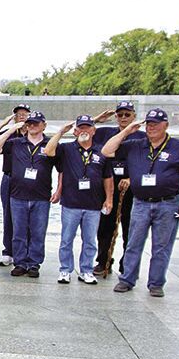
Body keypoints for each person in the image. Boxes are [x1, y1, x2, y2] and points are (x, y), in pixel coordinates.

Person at [102, 108, 179, 297]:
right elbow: (106, 150)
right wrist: (127, 130)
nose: (152, 127)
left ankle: (156, 283)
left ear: (166, 125)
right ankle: (127, 279)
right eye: (149, 124)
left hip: (168, 203)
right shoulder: (136, 145)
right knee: (133, 243)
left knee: (161, 246)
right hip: (141, 202)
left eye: (156, 124)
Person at [44, 115, 113, 285]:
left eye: (87, 127)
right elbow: (48, 151)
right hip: (71, 203)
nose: (84, 131)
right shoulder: (67, 149)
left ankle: (86, 270)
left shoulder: (101, 151)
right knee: (67, 239)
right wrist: (61, 132)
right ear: (75, 131)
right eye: (80, 128)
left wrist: (109, 199)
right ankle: (65, 270)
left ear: (93, 130)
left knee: (90, 240)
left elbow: (108, 177)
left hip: (93, 204)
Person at [0, 111, 61, 278]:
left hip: (41, 196)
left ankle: (34, 263)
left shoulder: (50, 145)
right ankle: (20, 262)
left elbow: (62, 169)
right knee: (18, 232)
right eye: (29, 123)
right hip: (18, 194)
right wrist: (10, 130)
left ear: (44, 125)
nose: (32, 126)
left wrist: (59, 190)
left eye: (36, 123)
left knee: (38, 231)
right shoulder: (16, 143)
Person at [91, 101, 146, 275]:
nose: (123, 118)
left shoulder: (143, 137)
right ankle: (103, 261)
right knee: (105, 227)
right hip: (108, 187)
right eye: (120, 114)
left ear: (133, 116)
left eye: (127, 114)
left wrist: (132, 178)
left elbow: (148, 163)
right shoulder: (106, 133)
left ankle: (127, 264)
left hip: (132, 189)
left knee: (130, 229)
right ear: (115, 116)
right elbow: (80, 130)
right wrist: (96, 120)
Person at [0, 103, 31, 267]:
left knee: (28, 218)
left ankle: (26, 252)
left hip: (29, 180)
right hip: (10, 178)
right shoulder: (9, 134)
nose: (22, 117)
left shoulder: (35, 134)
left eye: (25, 114)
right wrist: (11, 128)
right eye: (18, 114)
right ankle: (8, 251)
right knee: (9, 216)